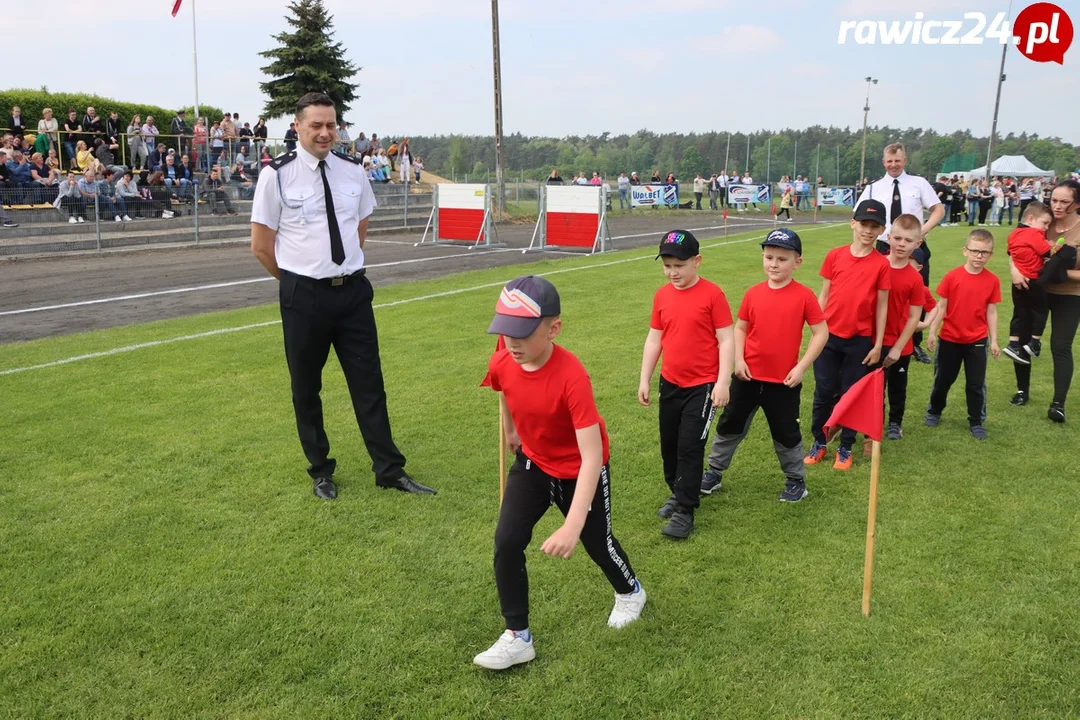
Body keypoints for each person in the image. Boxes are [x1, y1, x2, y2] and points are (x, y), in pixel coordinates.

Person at [250, 91, 434, 500]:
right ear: (297, 126)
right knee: (306, 388)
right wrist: (298, 281)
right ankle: (321, 471)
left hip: (352, 293)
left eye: (330, 124)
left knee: (370, 384)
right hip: (303, 296)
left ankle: (389, 470)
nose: (324, 132)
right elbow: (261, 246)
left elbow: (358, 229)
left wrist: (339, 270)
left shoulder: (353, 171)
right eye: (315, 125)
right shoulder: (276, 175)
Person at [475, 275, 645, 671]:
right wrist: (513, 431)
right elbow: (504, 391)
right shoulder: (502, 359)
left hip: (578, 469)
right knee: (507, 541)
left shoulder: (572, 377)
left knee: (595, 542)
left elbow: (591, 457)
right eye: (505, 331)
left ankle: (630, 592)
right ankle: (518, 636)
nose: (511, 342)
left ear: (554, 329)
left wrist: (570, 525)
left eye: (522, 332)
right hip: (533, 463)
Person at [701, 228, 828, 501]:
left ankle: (796, 481)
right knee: (730, 424)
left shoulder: (804, 296)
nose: (774, 264)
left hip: (783, 382)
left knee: (786, 432)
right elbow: (741, 329)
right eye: (769, 257)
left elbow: (821, 333)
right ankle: (713, 472)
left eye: (782, 259)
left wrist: (801, 366)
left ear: (797, 262)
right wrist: (739, 359)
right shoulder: (753, 293)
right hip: (747, 377)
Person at [637, 230, 734, 537]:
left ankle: (685, 511)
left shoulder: (713, 295)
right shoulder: (661, 295)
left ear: (697, 261)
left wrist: (722, 382)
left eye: (679, 265)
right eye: (667, 265)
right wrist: (645, 378)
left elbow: (727, 339)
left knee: (690, 447)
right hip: (671, 383)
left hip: (703, 386)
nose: (672, 272)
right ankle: (677, 491)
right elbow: (655, 338)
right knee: (670, 446)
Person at [805, 199, 891, 470]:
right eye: (864, 224)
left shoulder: (881, 265)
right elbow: (825, 293)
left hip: (860, 341)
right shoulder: (835, 256)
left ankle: (846, 447)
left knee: (851, 395)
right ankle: (819, 442)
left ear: (882, 230)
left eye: (874, 226)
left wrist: (877, 344)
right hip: (829, 337)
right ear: (853, 223)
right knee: (824, 391)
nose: (868, 230)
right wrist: (816, 329)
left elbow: (882, 306)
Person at [925, 230, 1001, 439]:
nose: (979, 256)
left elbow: (991, 311)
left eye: (984, 252)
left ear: (990, 255)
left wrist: (993, 340)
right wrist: (932, 331)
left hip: (977, 340)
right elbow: (941, 307)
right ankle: (934, 411)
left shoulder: (992, 281)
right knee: (943, 380)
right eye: (975, 251)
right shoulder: (952, 276)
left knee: (976, 384)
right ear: (965, 251)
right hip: (949, 339)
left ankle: (976, 421)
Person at [1019, 179, 1080, 423]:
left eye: (1064, 202)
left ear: (1076, 203)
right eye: (1054, 199)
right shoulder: (1043, 222)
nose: (1057, 206)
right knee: (1023, 341)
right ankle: (1022, 391)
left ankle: (1058, 404)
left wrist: (1061, 274)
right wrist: (1014, 268)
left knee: (1060, 346)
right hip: (1037, 291)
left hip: (1070, 294)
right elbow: (1017, 246)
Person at [876, 214, 927, 443]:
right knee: (874, 387)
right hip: (873, 341)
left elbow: (915, 316)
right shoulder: (876, 265)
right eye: (897, 238)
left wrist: (898, 347)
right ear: (888, 237)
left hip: (900, 346)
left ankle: (895, 422)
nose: (902, 244)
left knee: (897, 388)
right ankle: (872, 423)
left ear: (917, 244)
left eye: (908, 240)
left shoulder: (915, 278)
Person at [1002, 202, 1053, 371]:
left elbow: (1011, 252)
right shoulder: (1034, 233)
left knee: (1019, 312)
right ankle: (1034, 342)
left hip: (1017, 282)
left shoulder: (1013, 234)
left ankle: (1013, 343)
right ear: (1031, 219)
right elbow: (1047, 251)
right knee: (1041, 310)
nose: (1045, 228)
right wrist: (1054, 245)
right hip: (1033, 279)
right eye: (1044, 223)